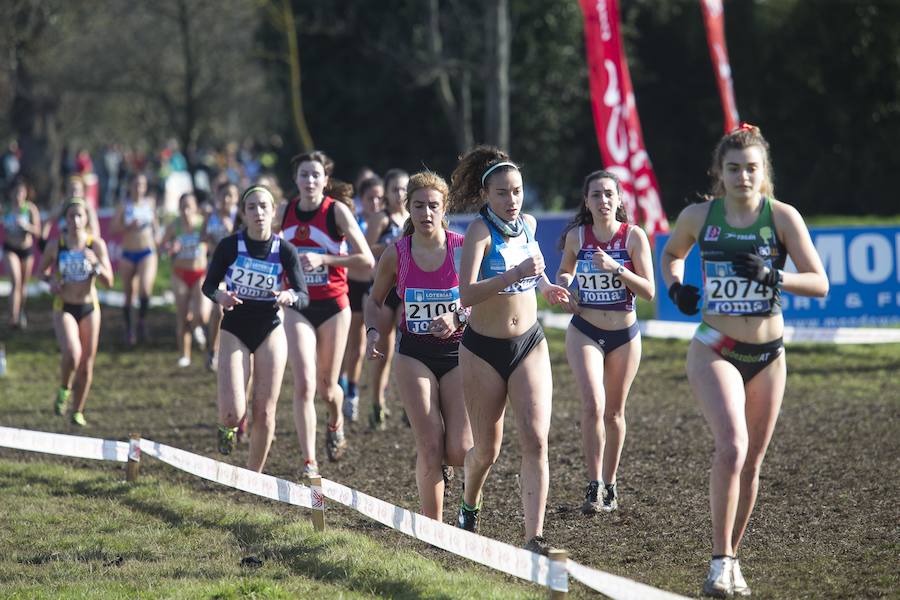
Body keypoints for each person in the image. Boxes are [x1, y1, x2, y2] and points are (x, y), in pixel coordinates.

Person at [661, 124, 828, 597]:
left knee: (751, 462)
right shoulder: (699, 215)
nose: (743, 176)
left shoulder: (782, 218)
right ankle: (718, 561)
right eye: (733, 168)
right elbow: (673, 252)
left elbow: (820, 282)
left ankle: (731, 559)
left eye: (751, 168)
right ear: (720, 172)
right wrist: (677, 285)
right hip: (715, 348)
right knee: (732, 447)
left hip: (768, 356)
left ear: (763, 172)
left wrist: (774, 275)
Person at [451, 146, 569, 554]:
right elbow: (466, 293)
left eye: (517, 191)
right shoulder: (479, 234)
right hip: (483, 349)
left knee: (537, 439)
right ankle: (469, 500)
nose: (512, 200)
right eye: (502, 193)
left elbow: (533, 267)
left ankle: (534, 537)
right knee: (487, 450)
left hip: (529, 343)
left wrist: (546, 285)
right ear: (486, 195)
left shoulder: (529, 224)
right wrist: (514, 275)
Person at [364, 171, 472, 519]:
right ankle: (433, 530)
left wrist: (457, 317)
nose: (426, 213)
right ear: (407, 208)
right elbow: (374, 299)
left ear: (445, 208)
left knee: (459, 450)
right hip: (414, 354)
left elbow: (481, 297)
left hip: (458, 354)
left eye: (433, 206)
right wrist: (371, 331)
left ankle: (463, 491)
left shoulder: (463, 247)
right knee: (429, 445)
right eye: (419, 206)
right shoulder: (397, 254)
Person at [556, 170, 655, 514]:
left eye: (609, 194)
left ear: (618, 199)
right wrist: (566, 287)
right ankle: (593, 483)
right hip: (584, 329)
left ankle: (610, 484)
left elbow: (649, 290)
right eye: (596, 195)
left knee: (613, 413)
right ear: (587, 201)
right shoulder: (576, 236)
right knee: (592, 405)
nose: (603, 201)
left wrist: (617, 269)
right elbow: (564, 272)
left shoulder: (633, 237)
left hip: (624, 336)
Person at [277, 151, 374, 475]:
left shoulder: (337, 212)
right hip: (298, 304)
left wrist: (325, 261)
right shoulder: (284, 212)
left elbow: (366, 261)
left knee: (327, 388)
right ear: (296, 179)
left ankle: (336, 420)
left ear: (325, 180)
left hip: (333, 305)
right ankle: (309, 461)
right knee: (304, 384)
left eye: (315, 175)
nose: (309, 181)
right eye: (304, 175)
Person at [202, 185, 309, 472]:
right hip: (235, 326)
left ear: (274, 212)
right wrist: (220, 296)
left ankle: (254, 477)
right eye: (252, 207)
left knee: (264, 411)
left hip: (270, 327)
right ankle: (226, 427)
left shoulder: (285, 250)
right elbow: (208, 285)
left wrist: (290, 296)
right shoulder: (229, 245)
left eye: (264, 206)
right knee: (232, 413)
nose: (259, 212)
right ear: (243, 213)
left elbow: (303, 293)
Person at [38, 198, 114, 426]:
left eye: (80, 216)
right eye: (71, 216)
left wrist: (96, 265)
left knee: (86, 364)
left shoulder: (95, 245)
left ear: (87, 219)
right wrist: (50, 281)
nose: (76, 221)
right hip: (64, 306)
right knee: (73, 353)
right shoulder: (56, 245)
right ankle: (64, 387)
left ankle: (77, 411)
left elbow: (109, 281)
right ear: (65, 219)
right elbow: (41, 272)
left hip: (89, 307)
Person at [364, 168, 410, 430]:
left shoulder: (414, 219)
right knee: (383, 348)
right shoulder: (381, 219)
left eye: (405, 189)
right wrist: (392, 245)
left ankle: (408, 403)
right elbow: (366, 250)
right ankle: (376, 401)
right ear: (387, 192)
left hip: (407, 288)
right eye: (395, 189)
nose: (400, 194)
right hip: (384, 288)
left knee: (409, 344)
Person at [340, 175, 383, 423]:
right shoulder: (352, 222)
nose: (375, 203)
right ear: (362, 200)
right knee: (352, 344)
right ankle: (346, 387)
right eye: (370, 198)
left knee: (364, 344)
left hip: (375, 284)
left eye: (379, 198)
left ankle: (356, 393)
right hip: (352, 284)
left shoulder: (386, 221)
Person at [162, 192, 211, 367]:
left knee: (201, 315)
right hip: (180, 274)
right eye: (182, 207)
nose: (185, 210)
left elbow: (213, 240)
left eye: (189, 206)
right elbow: (161, 247)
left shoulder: (202, 223)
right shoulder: (174, 226)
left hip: (200, 273)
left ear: (195, 208)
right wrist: (170, 247)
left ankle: (198, 328)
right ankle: (185, 354)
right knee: (182, 316)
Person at [110, 173, 159, 345]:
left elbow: (156, 226)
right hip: (128, 253)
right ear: (130, 187)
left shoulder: (150, 204)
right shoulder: (124, 206)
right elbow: (113, 229)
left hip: (147, 251)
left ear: (145, 187)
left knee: (145, 289)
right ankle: (129, 329)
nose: (139, 188)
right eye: (136, 184)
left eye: (142, 184)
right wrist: (127, 226)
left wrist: (159, 239)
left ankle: (142, 321)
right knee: (129, 294)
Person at [202, 181, 240, 371]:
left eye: (230, 196)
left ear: (236, 198)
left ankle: (230, 349)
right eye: (223, 195)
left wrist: (231, 228)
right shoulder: (211, 216)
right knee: (217, 311)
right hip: (216, 269)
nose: (226, 200)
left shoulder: (239, 216)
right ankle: (213, 351)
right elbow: (202, 237)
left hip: (235, 271)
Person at [2, 177, 41, 329]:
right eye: (16, 192)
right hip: (10, 248)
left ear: (25, 193)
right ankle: (12, 318)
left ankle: (21, 312)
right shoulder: (6, 208)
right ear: (11, 193)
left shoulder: (30, 209)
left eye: (21, 192)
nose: (18, 195)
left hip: (26, 250)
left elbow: (38, 232)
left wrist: (27, 227)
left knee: (23, 285)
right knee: (15, 281)